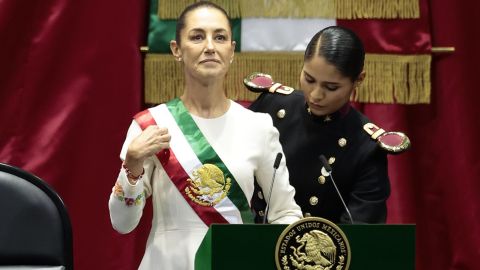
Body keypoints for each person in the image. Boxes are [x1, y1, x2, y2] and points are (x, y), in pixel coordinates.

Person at [108, 2, 302, 269]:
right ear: (177, 49)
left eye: (220, 37)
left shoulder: (259, 126)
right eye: (197, 36)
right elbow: (122, 223)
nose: (210, 46)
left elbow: (286, 213)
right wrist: (132, 163)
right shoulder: (151, 126)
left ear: (232, 50)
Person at [246, 26, 410, 224]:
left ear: (358, 80)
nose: (316, 95)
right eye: (309, 79)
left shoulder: (366, 146)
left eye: (331, 87)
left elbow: (360, 233)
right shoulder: (271, 106)